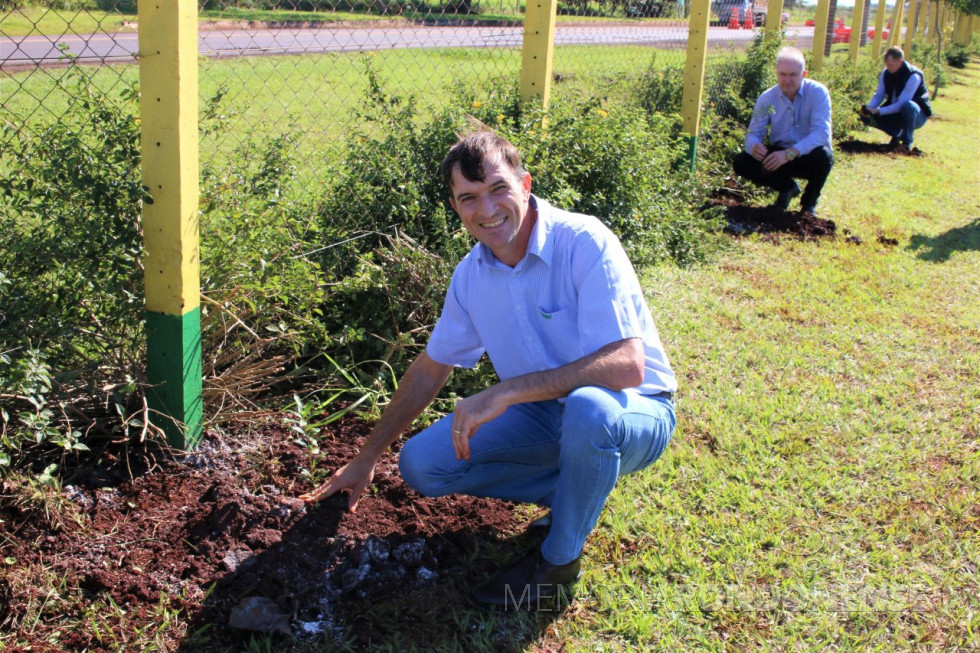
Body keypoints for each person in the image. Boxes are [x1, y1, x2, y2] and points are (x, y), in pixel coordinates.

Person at [299, 130, 677, 611]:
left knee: (588, 408)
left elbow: (626, 366)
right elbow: (430, 369)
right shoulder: (471, 277)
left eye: (499, 188)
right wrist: (369, 453)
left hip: (634, 412)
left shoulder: (585, 243)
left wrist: (508, 391)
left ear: (525, 184)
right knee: (423, 465)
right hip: (546, 416)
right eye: (469, 198)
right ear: (456, 209)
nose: (488, 209)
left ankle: (558, 562)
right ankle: (576, 494)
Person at [732, 46, 834, 216]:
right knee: (742, 161)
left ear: (804, 73)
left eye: (793, 74)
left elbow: (821, 134)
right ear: (776, 73)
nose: (787, 80)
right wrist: (754, 146)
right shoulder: (767, 97)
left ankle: (808, 206)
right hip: (777, 156)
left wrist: (789, 153)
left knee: (824, 157)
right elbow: (753, 134)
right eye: (783, 74)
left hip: (806, 155)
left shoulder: (818, 92)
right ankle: (787, 188)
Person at [860, 46, 931, 152]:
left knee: (908, 106)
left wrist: (879, 111)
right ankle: (898, 134)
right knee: (865, 116)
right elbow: (879, 95)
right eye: (886, 65)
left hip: (916, 115)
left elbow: (901, 104)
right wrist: (869, 109)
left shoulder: (913, 76)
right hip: (896, 111)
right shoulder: (886, 72)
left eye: (890, 65)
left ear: (900, 61)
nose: (888, 68)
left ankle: (907, 142)